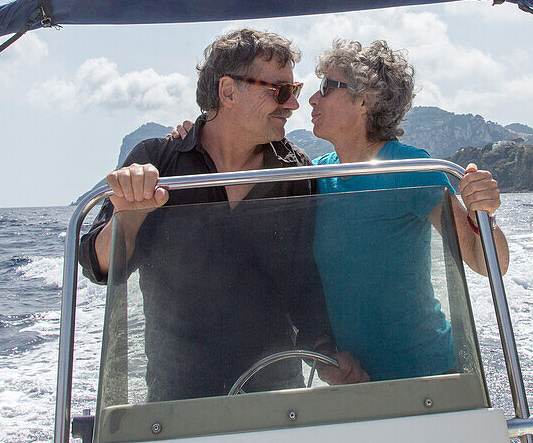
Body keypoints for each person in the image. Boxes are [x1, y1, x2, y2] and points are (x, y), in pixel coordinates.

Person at [77, 28, 366, 402]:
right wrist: (127, 215)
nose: (293, 105)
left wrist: (326, 351)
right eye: (280, 91)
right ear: (228, 92)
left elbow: (305, 286)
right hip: (177, 402)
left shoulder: (295, 172)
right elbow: (99, 267)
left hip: (276, 398)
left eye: (292, 92)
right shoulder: (158, 161)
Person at [307, 39, 510, 381]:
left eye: (327, 87)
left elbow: (487, 263)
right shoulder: (313, 175)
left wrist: (483, 214)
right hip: (354, 382)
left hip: (429, 377)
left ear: (364, 99)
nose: (313, 98)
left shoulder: (409, 168)